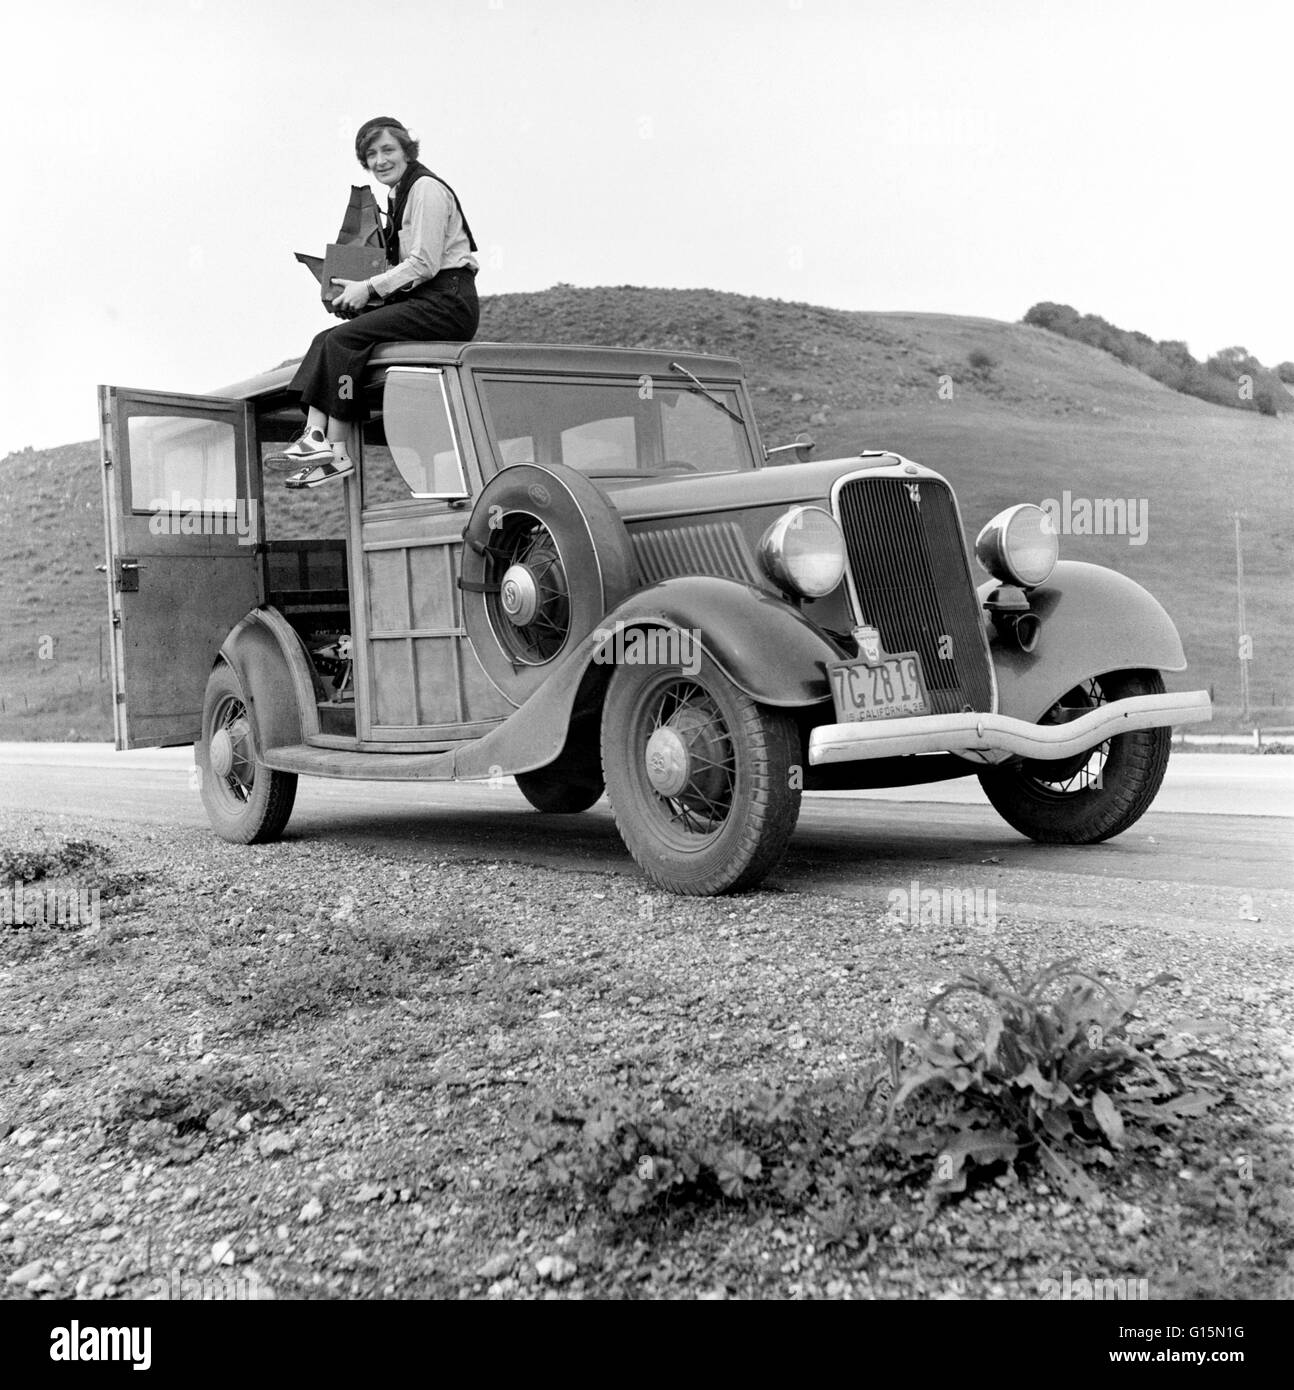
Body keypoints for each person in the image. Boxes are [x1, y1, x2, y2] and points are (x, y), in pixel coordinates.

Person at [269, 116, 480, 488]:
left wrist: (367, 288)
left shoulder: (426, 188)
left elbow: (424, 263)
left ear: (406, 151)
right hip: (427, 297)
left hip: (447, 300)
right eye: (371, 154)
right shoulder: (399, 194)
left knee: (342, 340)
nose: (380, 160)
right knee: (327, 340)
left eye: (388, 150)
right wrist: (356, 291)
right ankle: (320, 440)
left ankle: (333, 449)